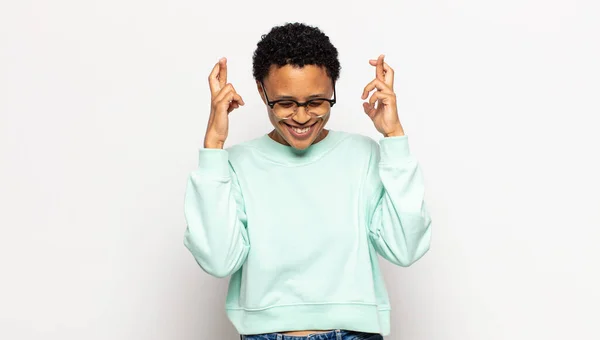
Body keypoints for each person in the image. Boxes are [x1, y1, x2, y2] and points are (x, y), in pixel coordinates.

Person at [183, 22, 432, 340]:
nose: (301, 117)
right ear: (262, 91)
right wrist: (214, 148)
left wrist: (394, 138)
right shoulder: (234, 164)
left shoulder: (362, 155)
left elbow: (406, 249)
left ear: (332, 91)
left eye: (316, 102)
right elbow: (218, 260)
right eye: (285, 103)